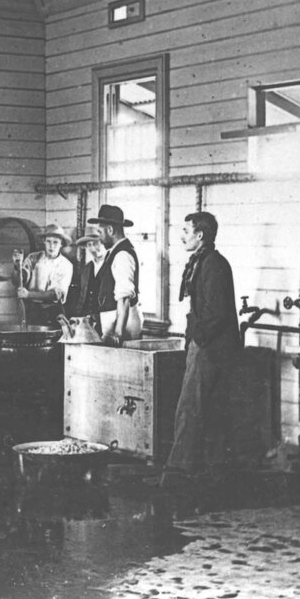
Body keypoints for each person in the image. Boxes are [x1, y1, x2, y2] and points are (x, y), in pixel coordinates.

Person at [161, 212, 241, 485]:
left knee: (190, 408)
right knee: (205, 409)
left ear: (200, 235)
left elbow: (216, 314)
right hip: (205, 342)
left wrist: (197, 339)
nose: (182, 235)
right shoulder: (203, 261)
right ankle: (208, 469)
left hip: (210, 346)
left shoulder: (214, 265)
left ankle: (178, 470)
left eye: (186, 230)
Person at [87, 204, 142, 345]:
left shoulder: (122, 255)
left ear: (110, 230)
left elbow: (124, 298)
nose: (99, 238)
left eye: (100, 232)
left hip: (122, 324)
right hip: (113, 320)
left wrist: (118, 333)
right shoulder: (113, 253)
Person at [12, 224, 74, 327]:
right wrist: (17, 267)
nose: (52, 246)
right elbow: (18, 280)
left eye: (55, 242)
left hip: (53, 312)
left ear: (61, 244)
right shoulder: (33, 258)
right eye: (49, 241)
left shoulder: (66, 265)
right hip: (31, 311)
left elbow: (56, 294)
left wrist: (28, 295)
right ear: (44, 241)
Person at [70, 224, 106, 325]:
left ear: (103, 243)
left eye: (96, 243)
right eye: (89, 245)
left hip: (106, 319)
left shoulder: (111, 265)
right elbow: (82, 297)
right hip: (87, 320)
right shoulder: (87, 268)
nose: (93, 248)